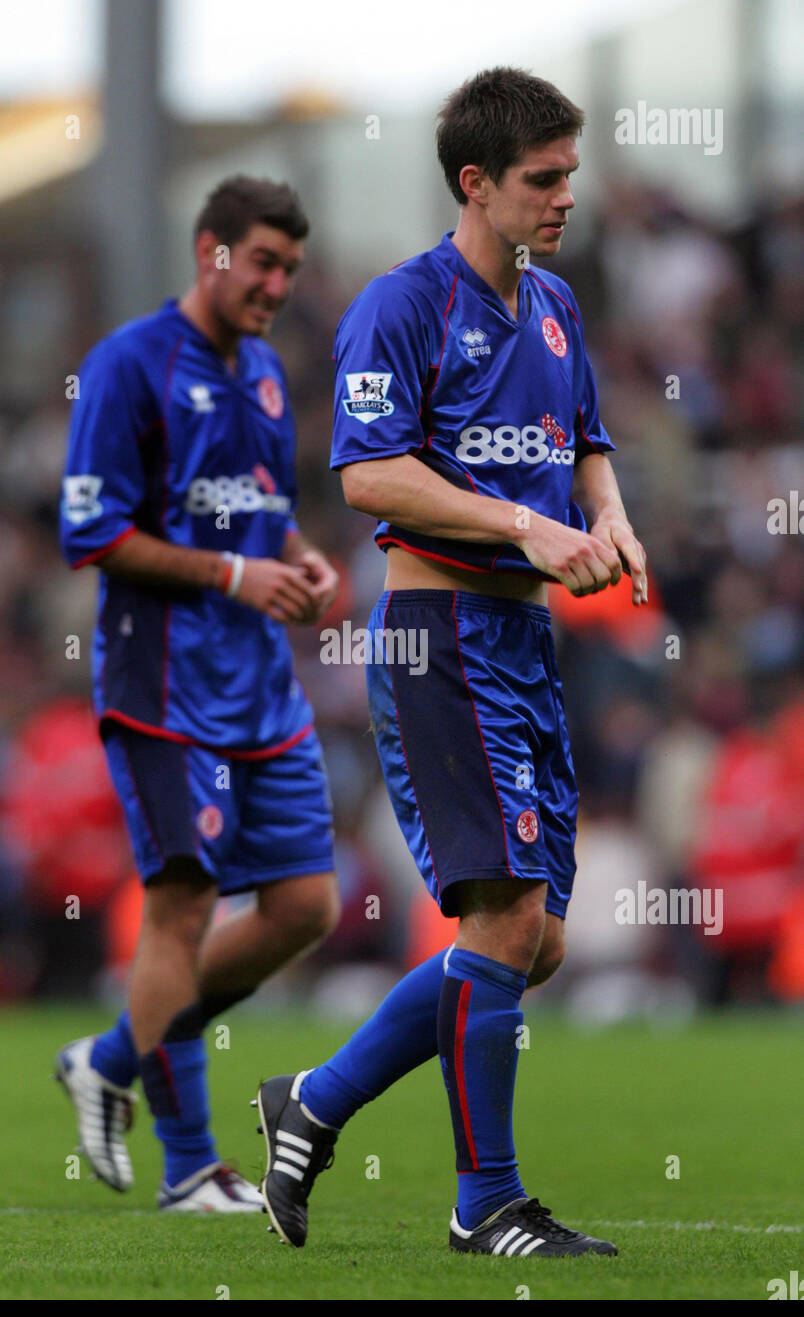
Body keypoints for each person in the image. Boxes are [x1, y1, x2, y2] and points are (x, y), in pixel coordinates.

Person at [256, 68, 647, 1256]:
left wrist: (609, 515)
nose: (563, 196)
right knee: (503, 920)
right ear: (474, 183)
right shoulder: (401, 304)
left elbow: (582, 443)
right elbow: (368, 474)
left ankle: (312, 1102)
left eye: (570, 174)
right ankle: (486, 1204)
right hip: (440, 639)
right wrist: (528, 527)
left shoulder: (556, 305)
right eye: (543, 179)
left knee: (536, 940)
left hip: (524, 638)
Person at [56, 175, 341, 1212]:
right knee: (181, 907)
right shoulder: (128, 366)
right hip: (165, 688)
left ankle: (112, 1055)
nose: (274, 285)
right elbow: (89, 531)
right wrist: (232, 576)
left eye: (289, 270)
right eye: (260, 263)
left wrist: (303, 560)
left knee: (305, 904)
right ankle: (188, 1168)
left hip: (260, 687)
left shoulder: (265, 372)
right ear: (208, 251)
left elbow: (265, 513)